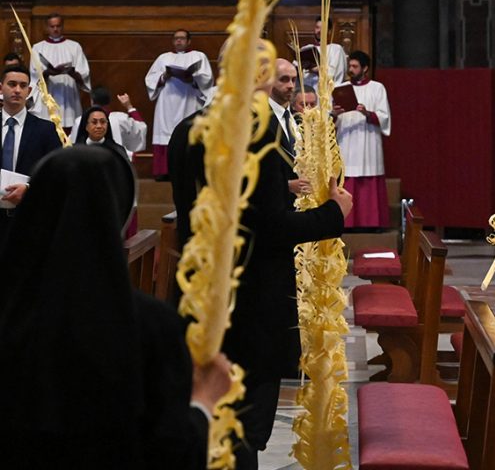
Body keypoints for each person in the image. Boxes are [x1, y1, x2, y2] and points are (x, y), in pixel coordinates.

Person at [0, 146, 232, 468]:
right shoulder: (151, 327)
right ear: (114, 211)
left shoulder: (10, 315)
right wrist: (205, 402)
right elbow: (170, 453)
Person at [169, 78, 353, 469]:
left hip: (200, 293)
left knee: (209, 417)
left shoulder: (187, 129)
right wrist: (334, 213)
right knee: (245, 429)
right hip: (253, 304)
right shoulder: (254, 140)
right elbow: (270, 229)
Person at [0, 65, 61, 245]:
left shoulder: (45, 130)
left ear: (29, 90)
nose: (17, 90)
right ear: (1, 87)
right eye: (12, 84)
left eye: (23, 85)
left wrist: (29, 188)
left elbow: (57, 172)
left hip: (28, 217)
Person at [332, 50, 391, 228]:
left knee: (368, 178)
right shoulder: (340, 88)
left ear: (365, 68)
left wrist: (366, 112)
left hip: (368, 139)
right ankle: (347, 222)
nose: (351, 69)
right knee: (348, 176)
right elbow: (332, 117)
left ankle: (371, 223)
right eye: (350, 66)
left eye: (355, 66)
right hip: (347, 139)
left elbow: (384, 116)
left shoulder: (377, 88)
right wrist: (334, 113)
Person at [145, 29, 213, 180]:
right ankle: (164, 171)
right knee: (165, 135)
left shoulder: (198, 56)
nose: (179, 41)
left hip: (189, 100)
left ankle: (187, 170)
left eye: (182, 38)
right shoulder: (164, 58)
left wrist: (192, 79)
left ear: (189, 41)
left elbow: (207, 80)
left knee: (187, 132)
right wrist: (164, 76)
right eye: (176, 38)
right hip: (167, 102)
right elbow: (151, 79)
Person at [30, 13, 91, 128]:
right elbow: (34, 75)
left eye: (58, 26)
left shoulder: (74, 47)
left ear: (62, 26)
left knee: (70, 129)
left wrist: (72, 72)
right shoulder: (38, 48)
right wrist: (47, 72)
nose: (55, 29)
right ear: (47, 27)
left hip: (69, 95)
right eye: (52, 26)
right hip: (48, 94)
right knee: (49, 126)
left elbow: (83, 73)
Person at [269, 58, 312, 197]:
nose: (291, 85)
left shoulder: (296, 117)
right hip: (273, 201)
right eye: (284, 79)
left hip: (300, 202)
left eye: (293, 80)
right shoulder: (259, 118)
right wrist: (286, 185)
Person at [70, 86, 147, 158]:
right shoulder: (121, 119)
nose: (99, 126)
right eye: (94, 122)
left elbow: (72, 146)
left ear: (92, 101)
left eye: (103, 122)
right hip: (114, 160)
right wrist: (129, 106)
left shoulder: (79, 121)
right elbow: (141, 128)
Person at [298, 17, 347, 91]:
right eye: (317, 27)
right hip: (307, 91)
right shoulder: (306, 48)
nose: (319, 31)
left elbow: (337, 73)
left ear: (329, 31)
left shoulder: (336, 49)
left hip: (327, 92)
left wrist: (318, 70)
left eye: (323, 28)